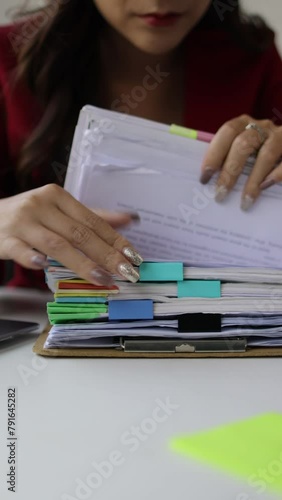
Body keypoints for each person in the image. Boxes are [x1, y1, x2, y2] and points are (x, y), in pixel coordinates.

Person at [0, 0, 282, 289]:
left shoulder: (251, 55)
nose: (160, 1)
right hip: (40, 319)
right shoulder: (9, 56)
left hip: (231, 321)